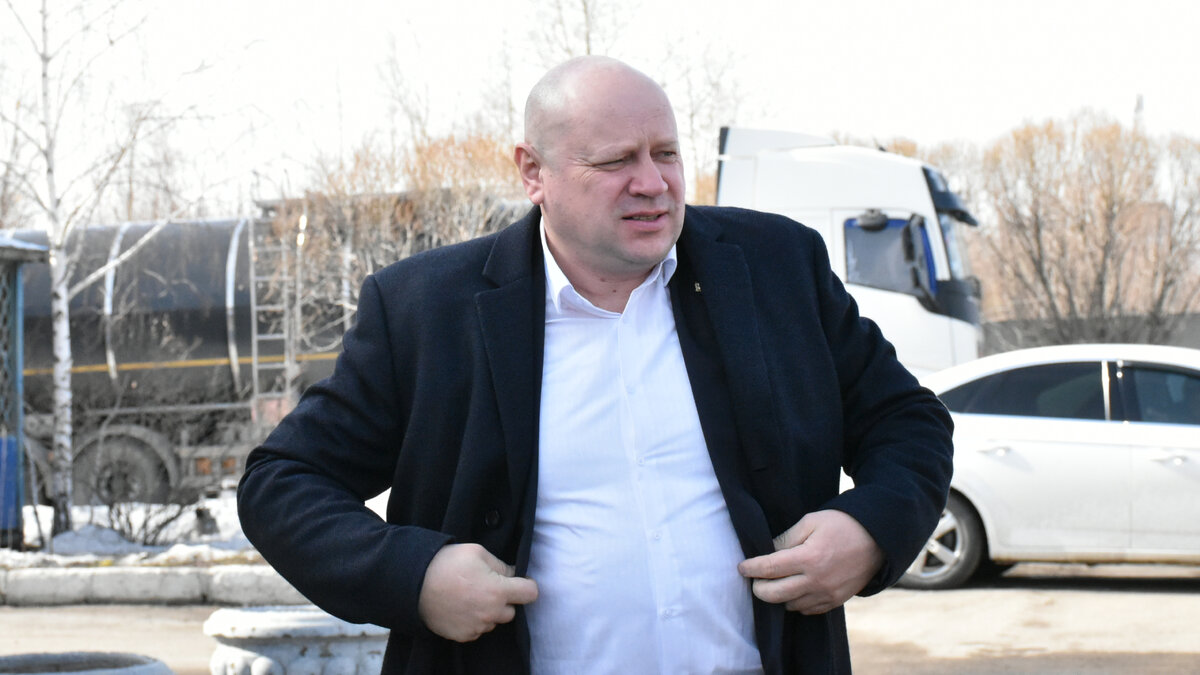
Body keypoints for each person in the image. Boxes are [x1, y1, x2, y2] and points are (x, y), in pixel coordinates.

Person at [238, 55, 953, 674]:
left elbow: (907, 421)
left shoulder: (777, 268)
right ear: (533, 171)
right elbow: (283, 483)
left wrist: (870, 530)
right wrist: (415, 576)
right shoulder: (425, 311)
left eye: (666, 153)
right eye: (616, 162)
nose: (653, 183)